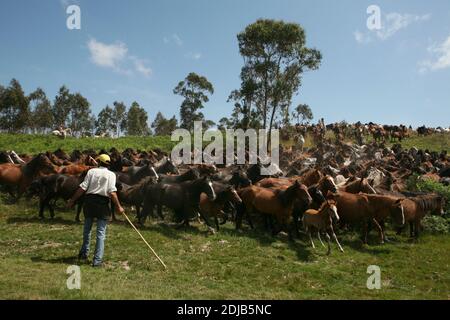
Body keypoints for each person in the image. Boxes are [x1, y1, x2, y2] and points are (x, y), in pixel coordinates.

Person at [68, 154, 124, 267]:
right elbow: (112, 192)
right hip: (102, 204)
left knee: (87, 230)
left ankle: (84, 253)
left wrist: (72, 200)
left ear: (98, 162)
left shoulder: (91, 172)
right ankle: (97, 261)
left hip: (89, 202)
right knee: (100, 233)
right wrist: (118, 206)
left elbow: (83, 187)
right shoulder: (111, 175)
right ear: (108, 163)